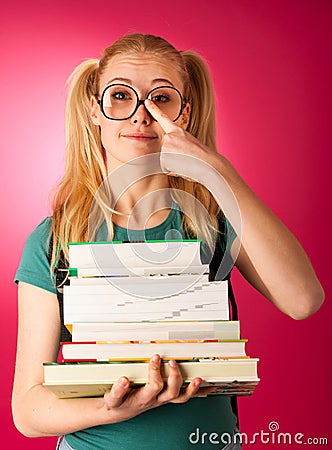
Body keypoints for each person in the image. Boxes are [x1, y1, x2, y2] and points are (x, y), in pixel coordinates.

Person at [12, 33, 324, 450]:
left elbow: (303, 300)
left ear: (186, 115)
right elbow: (28, 410)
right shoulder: (54, 241)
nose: (142, 116)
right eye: (120, 96)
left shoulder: (216, 223)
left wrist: (217, 170)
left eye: (161, 99)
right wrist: (120, 407)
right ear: (94, 111)